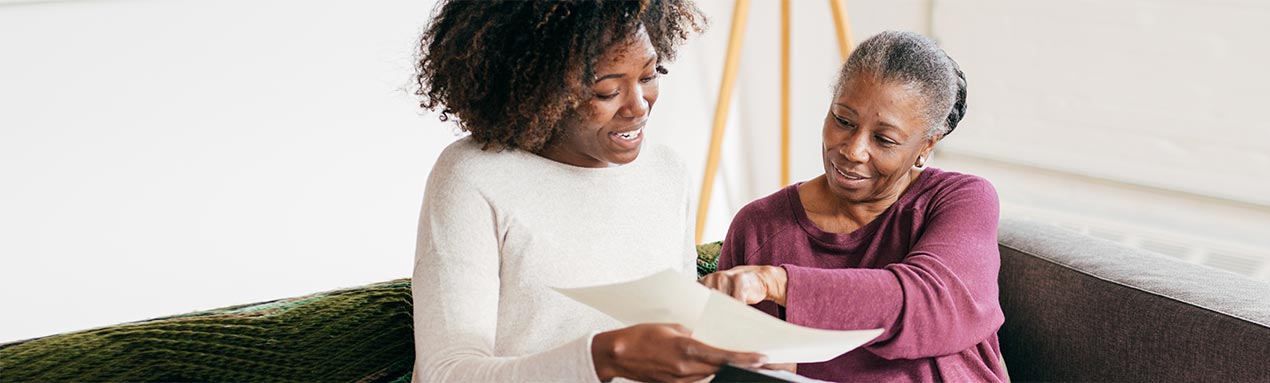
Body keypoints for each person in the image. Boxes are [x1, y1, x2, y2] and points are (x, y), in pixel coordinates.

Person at [409, 1, 767, 382]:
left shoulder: (667, 172)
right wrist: (602, 358)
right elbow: (444, 373)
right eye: (607, 91)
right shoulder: (474, 176)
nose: (639, 106)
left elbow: (676, 338)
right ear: (540, 89)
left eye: (650, 75)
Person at [701, 31, 1005, 382]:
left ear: (926, 145)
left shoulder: (960, 200)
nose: (852, 150)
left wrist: (776, 282)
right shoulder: (760, 227)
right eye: (843, 121)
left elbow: (929, 306)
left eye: (884, 139)